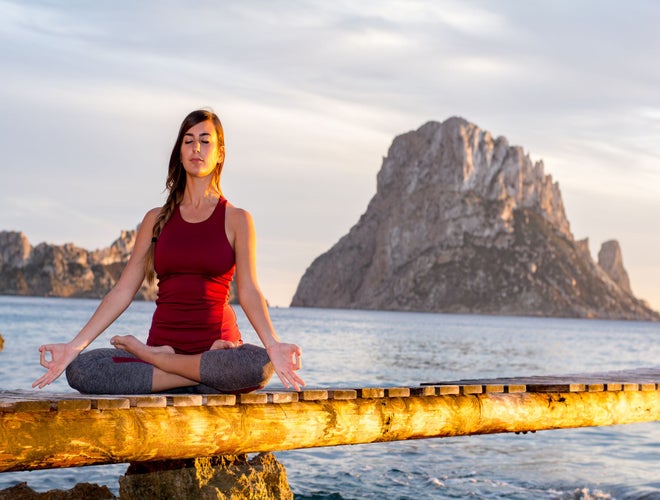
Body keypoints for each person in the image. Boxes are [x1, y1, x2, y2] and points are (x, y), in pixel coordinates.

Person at [33, 109, 304, 394]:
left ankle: (166, 363)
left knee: (258, 364)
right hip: (185, 357)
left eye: (205, 140)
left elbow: (249, 291)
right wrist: (73, 346)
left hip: (215, 351)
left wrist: (273, 344)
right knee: (81, 369)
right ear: (180, 152)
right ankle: (186, 370)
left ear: (220, 153)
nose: (196, 148)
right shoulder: (155, 219)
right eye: (188, 141)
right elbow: (122, 291)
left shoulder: (237, 219)